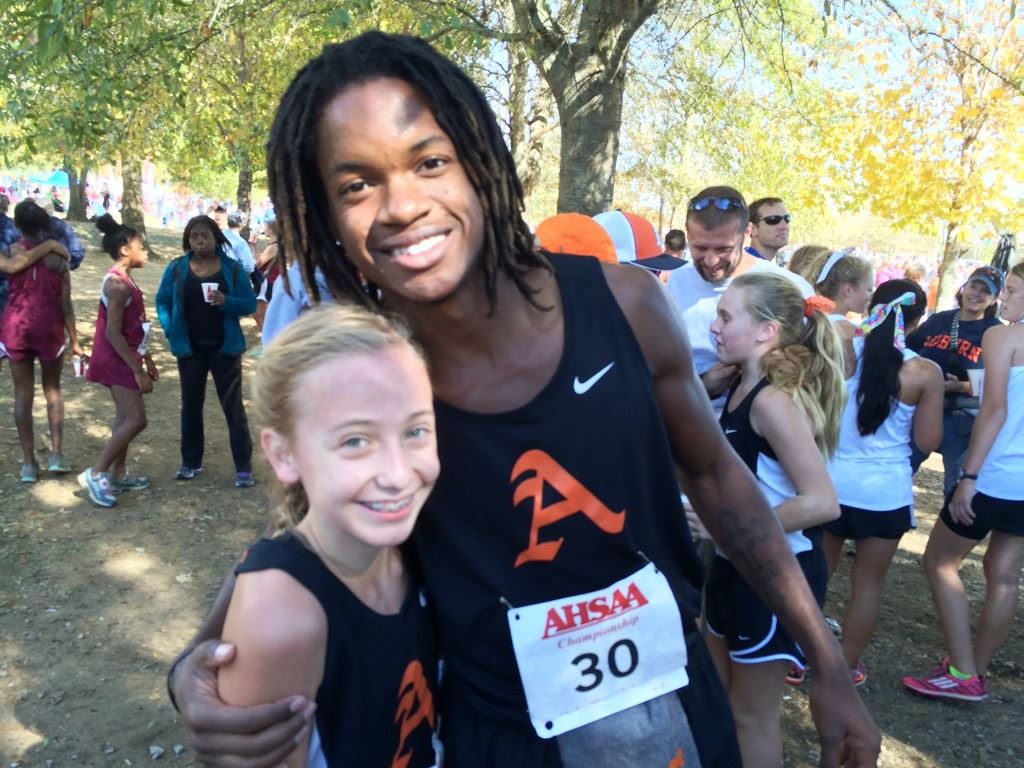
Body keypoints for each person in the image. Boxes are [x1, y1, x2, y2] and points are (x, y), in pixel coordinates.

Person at [168, 32, 879, 768]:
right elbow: (304, 536)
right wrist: (195, 662)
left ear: (480, 162)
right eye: (356, 185)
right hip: (494, 736)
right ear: (323, 217)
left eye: (429, 162)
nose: (401, 205)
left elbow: (715, 475)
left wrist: (823, 658)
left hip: (679, 711)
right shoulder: (367, 373)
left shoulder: (624, 304)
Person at [220, 305, 440, 768]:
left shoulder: (419, 548)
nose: (399, 475)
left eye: (416, 430)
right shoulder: (280, 614)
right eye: (355, 441)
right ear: (284, 455)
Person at [704, 272, 845, 768]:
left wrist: (727, 526)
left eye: (725, 317)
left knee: (752, 716)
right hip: (733, 564)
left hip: (775, 574)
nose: (714, 328)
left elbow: (821, 503)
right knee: (717, 698)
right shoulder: (740, 384)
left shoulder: (772, 401)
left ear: (766, 331)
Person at [902, 262, 1024, 702]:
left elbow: (993, 410)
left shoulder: (1001, 336)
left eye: (1011, 290)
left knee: (939, 561)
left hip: (995, 474)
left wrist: (969, 475)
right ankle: (974, 670)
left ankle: (962, 671)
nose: (1002, 297)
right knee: (1004, 576)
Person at [822, 280, 943, 687]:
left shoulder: (840, 353)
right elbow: (927, 442)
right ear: (916, 321)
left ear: (872, 307)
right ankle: (845, 666)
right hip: (884, 493)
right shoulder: (924, 372)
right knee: (868, 585)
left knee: (815, 573)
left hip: (831, 485)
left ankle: (797, 656)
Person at [665, 186, 813, 415]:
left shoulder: (790, 287)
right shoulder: (678, 280)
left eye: (724, 249)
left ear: (747, 233)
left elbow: (818, 375)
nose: (711, 260)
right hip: (689, 430)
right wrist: (703, 387)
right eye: (700, 248)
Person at [155, 215, 257, 487]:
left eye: (205, 236)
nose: (199, 241)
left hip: (225, 349)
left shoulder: (232, 269)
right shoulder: (177, 269)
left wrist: (227, 301)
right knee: (190, 406)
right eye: (194, 237)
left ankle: (243, 468)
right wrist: (170, 330)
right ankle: (190, 462)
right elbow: (162, 302)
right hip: (190, 350)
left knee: (233, 408)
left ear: (216, 238)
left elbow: (249, 303)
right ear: (188, 240)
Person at [77, 214, 158, 508]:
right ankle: (96, 473)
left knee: (125, 417)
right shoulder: (117, 285)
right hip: (116, 360)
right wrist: (136, 369)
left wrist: (146, 358)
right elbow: (112, 332)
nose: (146, 250)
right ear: (125, 250)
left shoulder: (126, 281)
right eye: (141, 245)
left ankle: (118, 472)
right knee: (137, 419)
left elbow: (136, 326)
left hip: (125, 356)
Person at [0, 200, 84, 481]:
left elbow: (12, 267)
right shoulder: (58, 258)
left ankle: (28, 463)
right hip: (49, 327)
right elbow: (66, 304)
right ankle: (57, 455)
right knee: (53, 390)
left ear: (17, 224)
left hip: (16, 327)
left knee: (23, 394)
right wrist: (75, 340)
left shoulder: (9, 253)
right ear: (44, 224)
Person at [906, 266, 1002, 494]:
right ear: (964, 287)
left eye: (985, 291)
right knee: (901, 465)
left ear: (994, 299)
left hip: (960, 416)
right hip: (923, 409)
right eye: (973, 286)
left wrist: (961, 386)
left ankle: (950, 525)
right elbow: (909, 349)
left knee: (955, 484)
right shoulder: (940, 320)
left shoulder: (994, 332)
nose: (976, 294)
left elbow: (997, 383)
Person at [746, 197, 790, 263]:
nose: (784, 226)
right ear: (752, 229)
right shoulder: (742, 267)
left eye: (787, 218)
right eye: (773, 220)